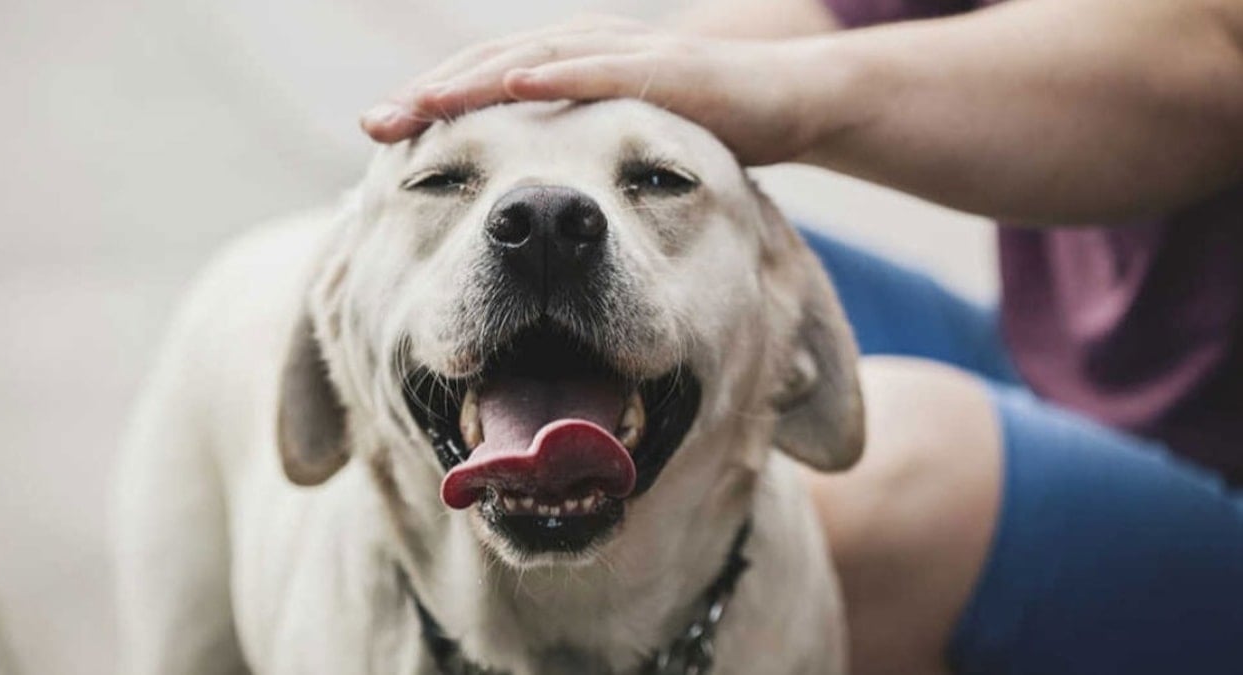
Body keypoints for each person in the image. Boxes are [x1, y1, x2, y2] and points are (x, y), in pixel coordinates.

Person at [359, 1, 1243, 672]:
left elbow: (1218, 47)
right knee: (685, 258)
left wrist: (799, 98)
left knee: (873, 479)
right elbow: (830, 13)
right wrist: (550, 98)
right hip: (1055, 361)